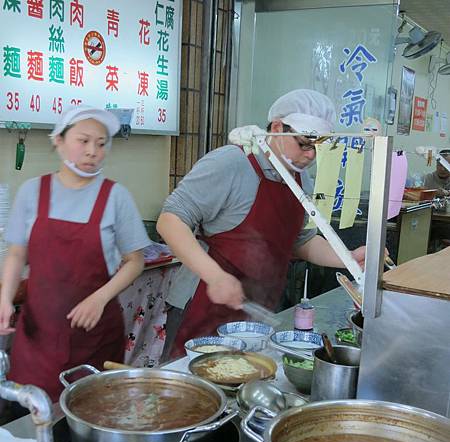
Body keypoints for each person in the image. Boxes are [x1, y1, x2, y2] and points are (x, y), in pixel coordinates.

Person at [157, 89, 366, 359]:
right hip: (203, 302)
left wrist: (348, 259)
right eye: (304, 143)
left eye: (318, 147)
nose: (311, 155)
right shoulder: (232, 162)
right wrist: (215, 276)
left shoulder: (301, 179)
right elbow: (170, 220)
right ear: (277, 128)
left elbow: (301, 242)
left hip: (257, 309)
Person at [0, 105, 150, 403]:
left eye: (101, 143)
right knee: (34, 420)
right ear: (59, 140)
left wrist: (99, 297)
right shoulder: (32, 192)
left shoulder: (115, 196)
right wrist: (5, 298)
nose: (93, 151)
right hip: (38, 337)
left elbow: (135, 261)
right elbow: (17, 252)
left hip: (94, 337)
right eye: (83, 140)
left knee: (94, 415)